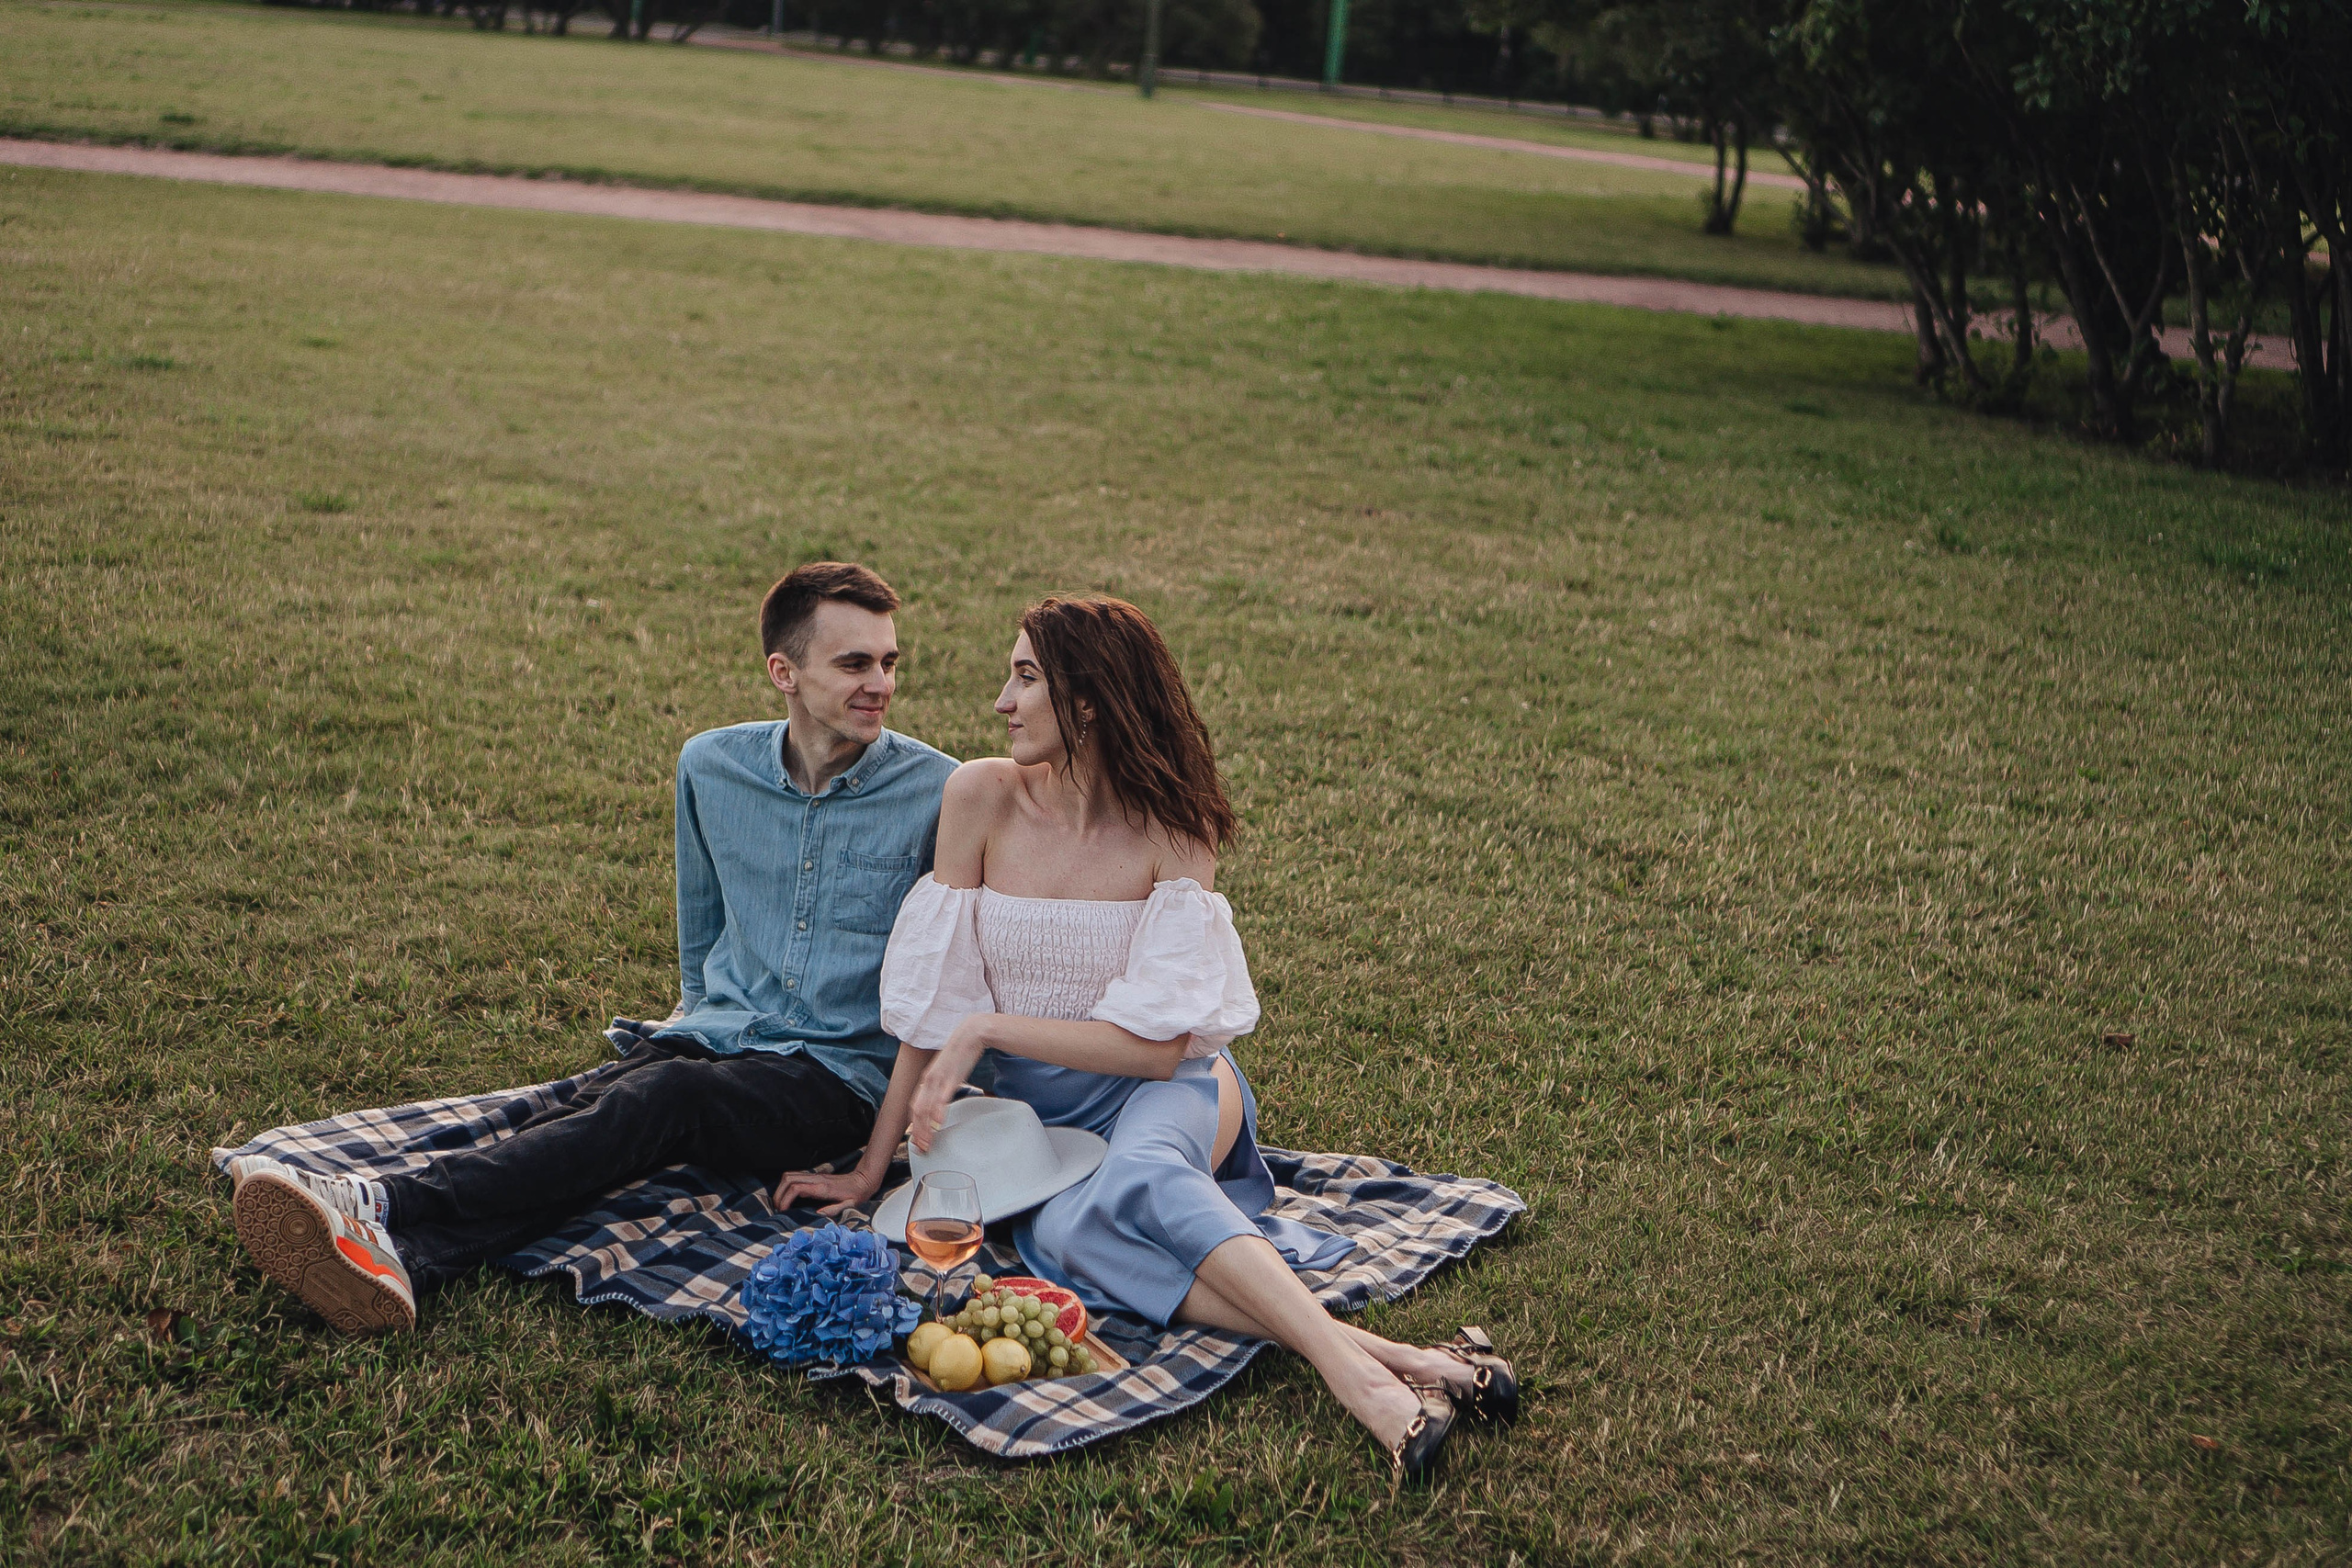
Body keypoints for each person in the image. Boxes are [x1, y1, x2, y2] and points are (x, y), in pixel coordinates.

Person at [855, 594, 1516, 1481]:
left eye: (1025, 678)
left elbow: (1158, 1050)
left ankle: (1359, 1384)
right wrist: (871, 1168)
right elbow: (930, 1006)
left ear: (1089, 702)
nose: (1002, 701)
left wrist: (988, 1028)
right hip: (1045, 1125)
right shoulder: (978, 796)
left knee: (1144, 1177)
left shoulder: (1175, 826)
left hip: (1168, 1088)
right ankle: (1411, 1360)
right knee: (1069, 1237)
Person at [229, 561, 957, 1335]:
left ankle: (382, 1201)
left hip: (834, 1077)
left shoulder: (938, 791)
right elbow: (700, 923)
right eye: (855, 664)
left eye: (889, 662)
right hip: (726, 1031)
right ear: (785, 672)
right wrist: (698, 1023)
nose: (880, 683)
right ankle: (409, 1259)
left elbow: (940, 987)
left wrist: (868, 1168)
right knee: (592, 1114)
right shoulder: (712, 765)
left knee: (663, 1097)